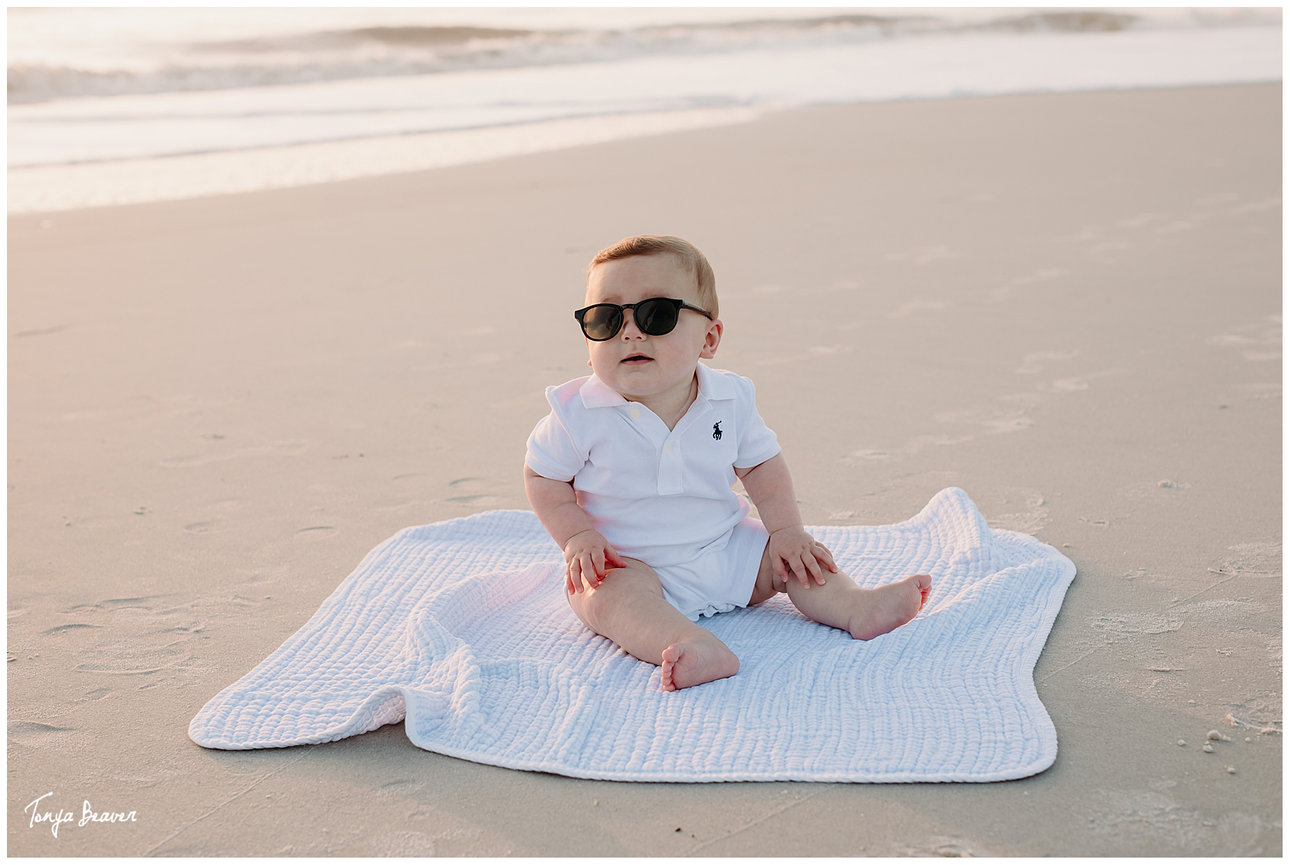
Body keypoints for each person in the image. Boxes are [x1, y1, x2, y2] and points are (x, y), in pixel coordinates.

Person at [524, 235, 931, 691]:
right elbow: (543, 475)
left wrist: (786, 531)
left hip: (725, 546)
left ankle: (856, 606)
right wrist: (578, 536)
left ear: (709, 338)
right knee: (605, 599)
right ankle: (686, 642)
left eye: (657, 314)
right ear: (587, 341)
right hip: (628, 562)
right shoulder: (577, 412)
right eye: (606, 319)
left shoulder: (729, 399)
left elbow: (760, 466)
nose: (630, 332)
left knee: (795, 561)